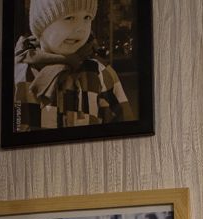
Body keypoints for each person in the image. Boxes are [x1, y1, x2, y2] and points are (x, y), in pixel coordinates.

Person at [13, 0, 134, 131]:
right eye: (69, 18)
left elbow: (125, 128)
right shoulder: (19, 74)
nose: (80, 28)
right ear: (41, 23)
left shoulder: (100, 73)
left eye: (87, 17)